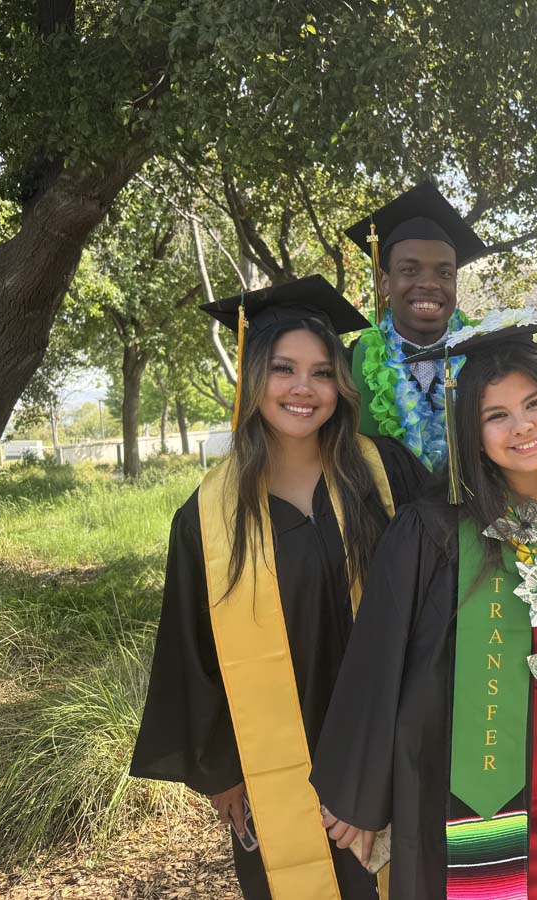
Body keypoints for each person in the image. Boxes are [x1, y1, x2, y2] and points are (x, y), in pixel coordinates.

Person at [310, 311, 537, 899]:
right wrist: (360, 792)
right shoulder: (434, 534)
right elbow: (377, 663)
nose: (521, 427)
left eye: (535, 404)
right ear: (469, 433)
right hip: (479, 804)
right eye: (494, 415)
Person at [130, 276, 426, 900]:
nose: (303, 388)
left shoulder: (387, 474)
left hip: (392, 744)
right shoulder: (208, 516)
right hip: (278, 767)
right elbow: (194, 650)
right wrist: (223, 774)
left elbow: (438, 608)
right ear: (254, 376)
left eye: (322, 372)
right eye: (284, 369)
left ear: (341, 385)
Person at [344, 180, 488, 471]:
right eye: (409, 270)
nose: (429, 284)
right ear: (385, 282)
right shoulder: (350, 361)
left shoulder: (486, 352)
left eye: (445, 273)